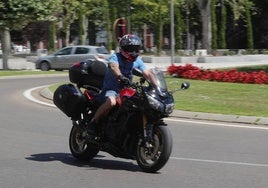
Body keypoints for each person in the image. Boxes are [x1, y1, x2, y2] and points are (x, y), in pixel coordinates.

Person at [87, 34, 153, 135]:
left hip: (127, 90)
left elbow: (147, 72)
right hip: (112, 90)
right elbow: (113, 66)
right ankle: (93, 122)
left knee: (140, 103)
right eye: (131, 49)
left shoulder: (137, 60)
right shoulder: (116, 57)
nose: (134, 52)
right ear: (124, 49)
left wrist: (156, 84)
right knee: (112, 102)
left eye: (136, 49)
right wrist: (120, 76)